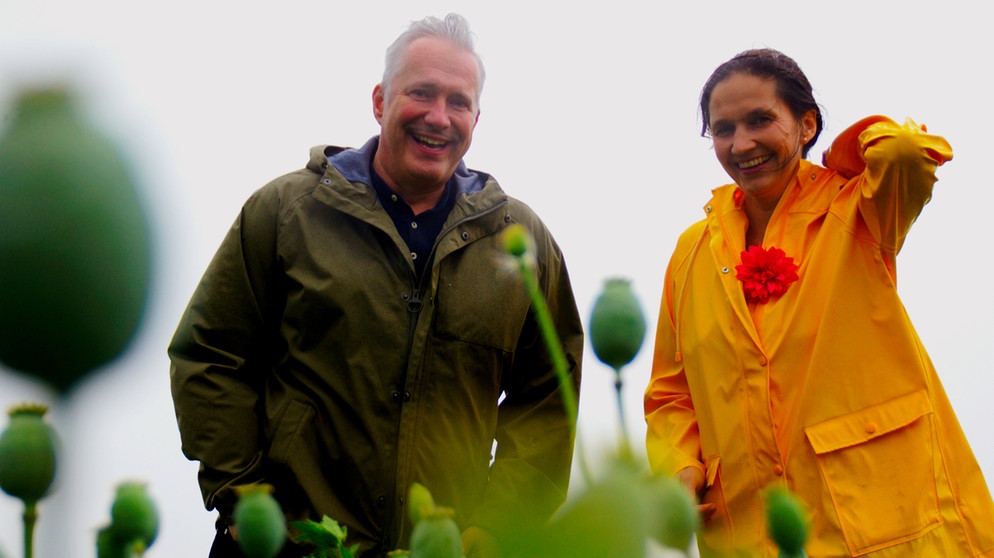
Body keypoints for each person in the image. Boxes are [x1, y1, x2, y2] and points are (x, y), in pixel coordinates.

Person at [168, 13, 583, 558]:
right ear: (381, 101)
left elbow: (548, 398)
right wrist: (247, 500)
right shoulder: (287, 211)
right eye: (421, 93)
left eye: (458, 102)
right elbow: (210, 355)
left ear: (476, 119)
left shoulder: (521, 242)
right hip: (284, 546)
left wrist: (495, 528)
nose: (439, 117)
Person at [644, 48, 994, 557]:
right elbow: (672, 394)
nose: (742, 144)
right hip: (748, 534)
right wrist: (677, 468)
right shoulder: (691, 252)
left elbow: (904, 151)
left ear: (807, 124)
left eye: (761, 120)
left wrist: (843, 162)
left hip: (890, 528)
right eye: (723, 129)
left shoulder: (859, 207)